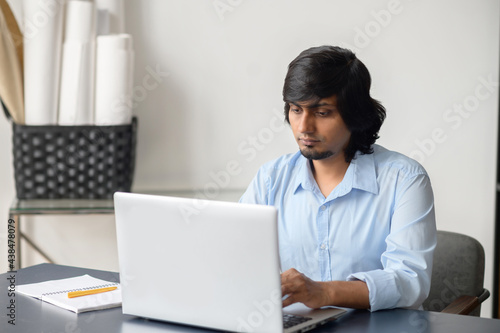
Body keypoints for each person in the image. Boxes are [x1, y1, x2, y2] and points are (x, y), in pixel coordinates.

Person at [239, 45, 436, 311]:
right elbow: (234, 258)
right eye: (296, 110)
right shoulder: (270, 179)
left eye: (322, 113)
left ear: (355, 115)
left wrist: (324, 292)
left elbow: (410, 281)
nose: (304, 127)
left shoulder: (404, 179)